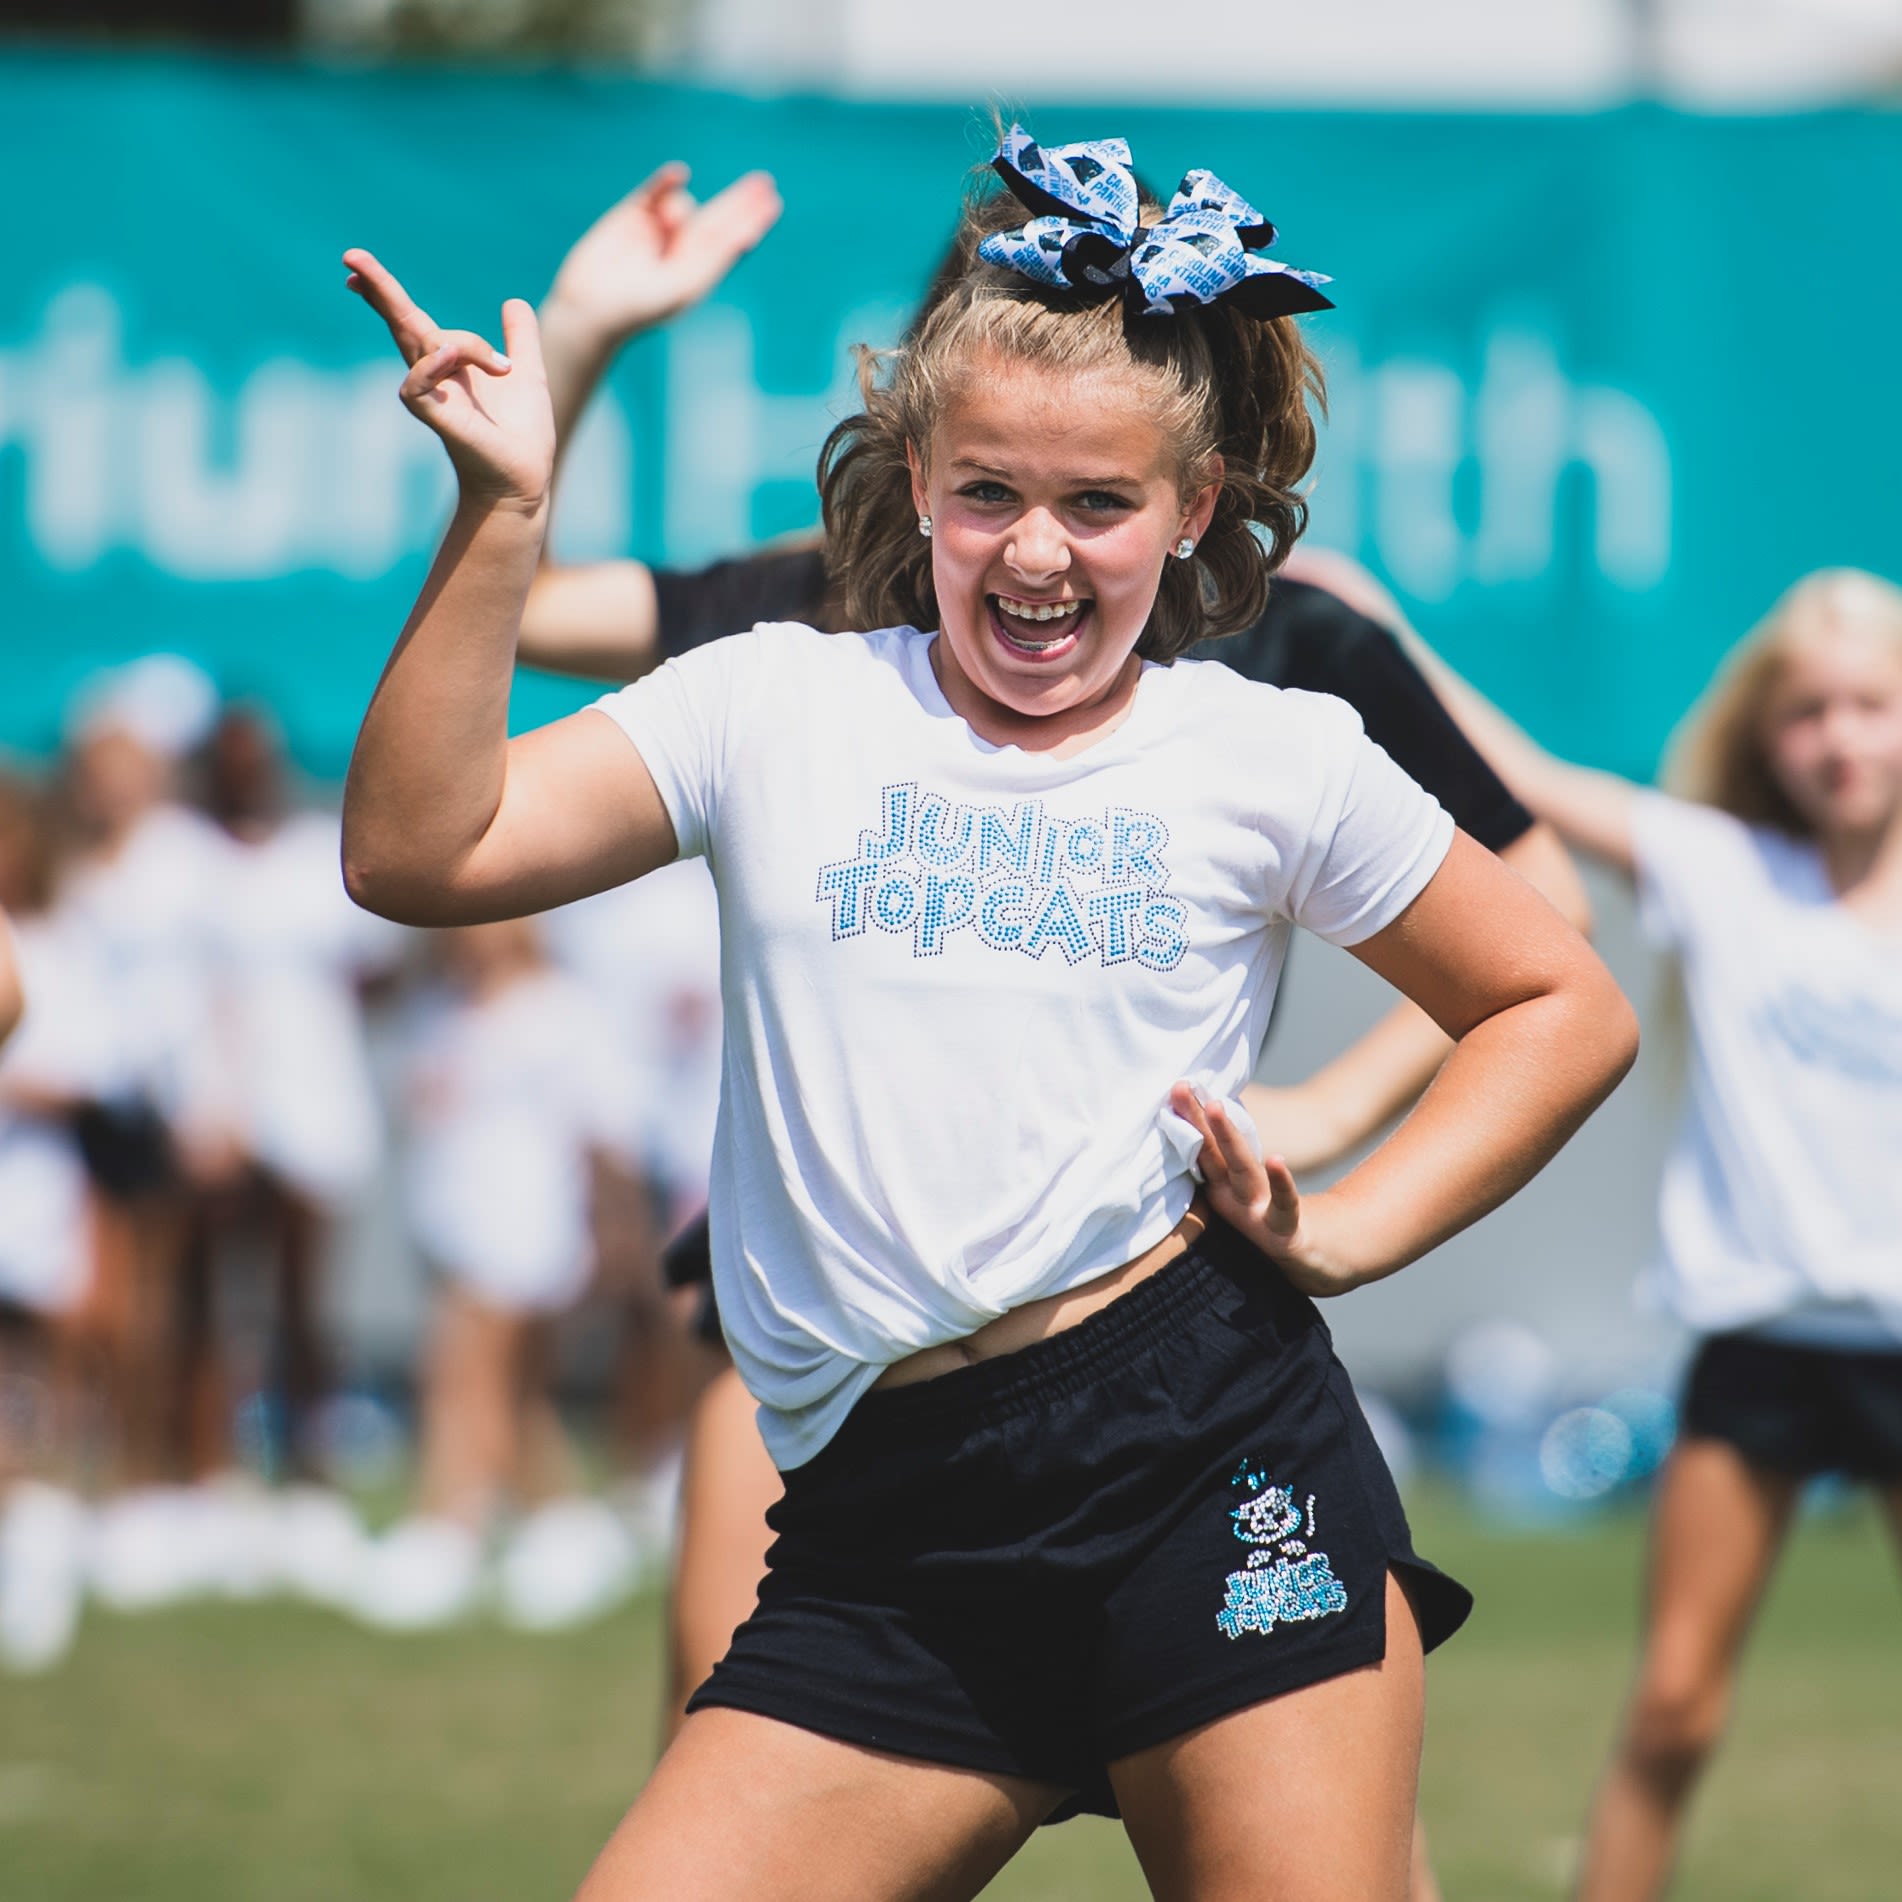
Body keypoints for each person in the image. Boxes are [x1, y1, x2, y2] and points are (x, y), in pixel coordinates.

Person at [340, 123, 1636, 1899]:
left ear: (1188, 512)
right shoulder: (768, 703)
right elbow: (422, 846)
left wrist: (1348, 1228)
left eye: (1099, 505)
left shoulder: (1268, 751)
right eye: (987, 495)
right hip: (888, 1536)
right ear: (914, 477)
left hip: (1202, 1463)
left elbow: (1561, 996)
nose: (1036, 552)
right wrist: (500, 507)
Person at [1422, 566, 1902, 1902]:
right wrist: (1372, 631)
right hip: (1759, 1352)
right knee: (1674, 1710)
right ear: (1766, 733)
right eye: (1807, 711)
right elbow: (1510, 767)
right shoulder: (1725, 870)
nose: (1840, 738)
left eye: (1870, 705)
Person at [353, 916, 640, 1632]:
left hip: (527, 1227)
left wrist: (613, 1234)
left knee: (460, 1378)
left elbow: (605, 1135)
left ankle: (448, 1524)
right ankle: (565, 1524)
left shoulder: (560, 1010)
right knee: (514, 1399)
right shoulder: (439, 1008)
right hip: (452, 1223)